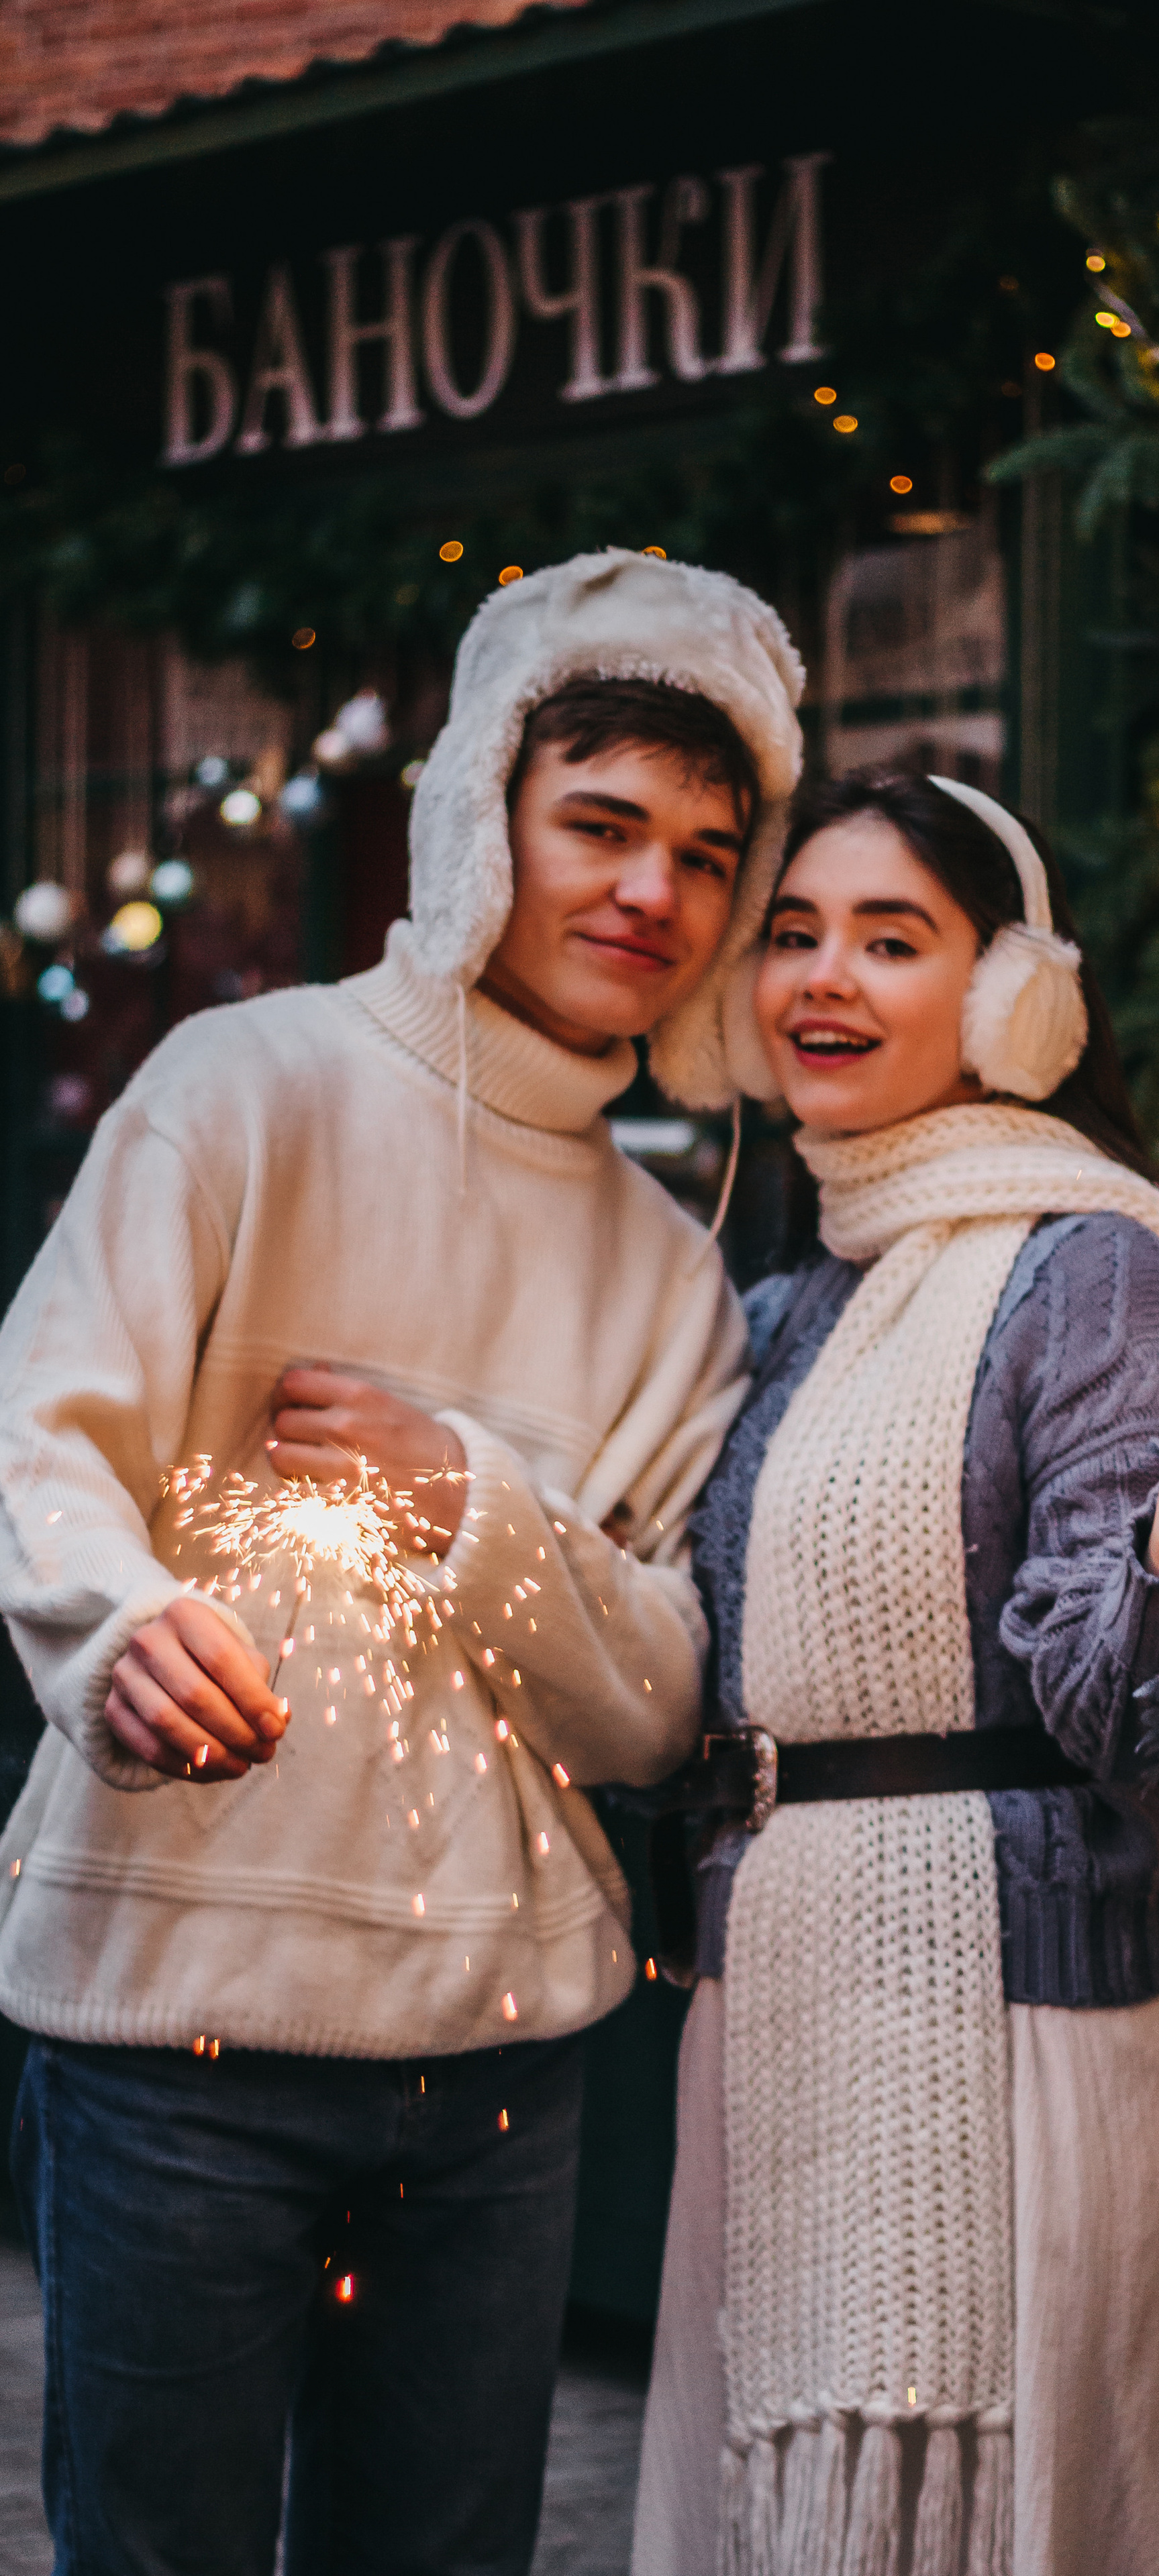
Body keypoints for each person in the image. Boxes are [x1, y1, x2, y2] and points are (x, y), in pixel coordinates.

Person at [0, 547, 804, 2576]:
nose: (653, 890)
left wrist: (471, 1498)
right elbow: (44, 1434)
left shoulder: (673, 1276)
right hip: (176, 2026)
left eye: (709, 857)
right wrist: (117, 1629)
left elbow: (659, 1709)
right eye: (601, 825)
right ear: (478, 822)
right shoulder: (243, 1084)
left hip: (503, 2069)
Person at [630, 769, 1159, 2576]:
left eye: (893, 940)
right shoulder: (788, 1299)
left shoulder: (1093, 1270)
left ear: (1011, 999)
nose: (825, 977)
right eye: (794, 934)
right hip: (777, 1998)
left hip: (1032, 2023)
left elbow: (1119, 1711)